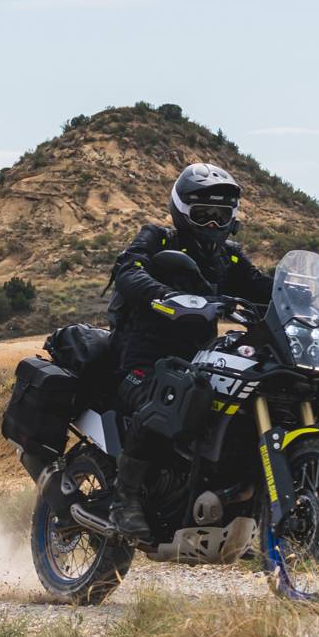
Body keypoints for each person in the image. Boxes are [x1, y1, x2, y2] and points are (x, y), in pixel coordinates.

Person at [104, 162, 275, 539]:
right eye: (204, 215)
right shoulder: (157, 239)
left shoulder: (228, 257)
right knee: (169, 396)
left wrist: (306, 296)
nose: (213, 225)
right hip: (140, 361)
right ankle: (124, 500)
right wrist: (166, 296)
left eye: (221, 216)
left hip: (195, 361)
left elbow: (261, 287)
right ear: (182, 212)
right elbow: (129, 272)